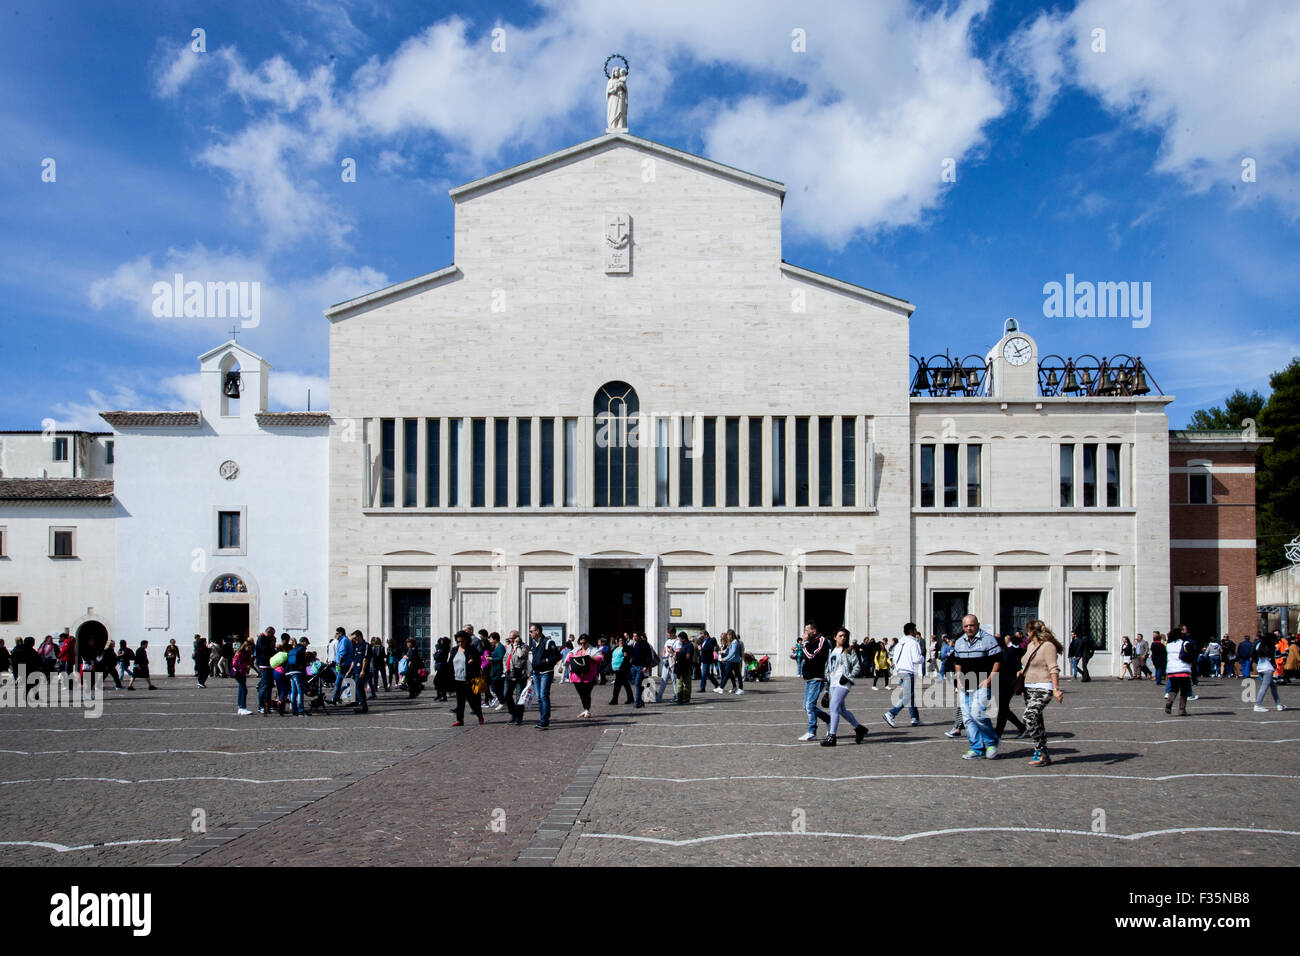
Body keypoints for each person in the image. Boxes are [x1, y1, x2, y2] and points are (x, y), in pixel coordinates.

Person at [951, 614, 1002, 759]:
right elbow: (958, 662)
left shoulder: (988, 639)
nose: (969, 628)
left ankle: (992, 741)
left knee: (977, 713)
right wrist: (959, 678)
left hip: (982, 683)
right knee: (967, 718)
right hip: (965, 684)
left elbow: (997, 661)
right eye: (966, 626)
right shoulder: (959, 642)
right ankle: (977, 748)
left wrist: (990, 679)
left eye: (971, 625)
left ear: (977, 624)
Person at [1018, 619, 1064, 767]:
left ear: (1032, 631)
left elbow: (1053, 668)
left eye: (1027, 631)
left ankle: (1040, 751)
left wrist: (1056, 689)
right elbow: (1028, 663)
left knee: (1029, 717)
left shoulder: (1048, 646)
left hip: (1043, 687)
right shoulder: (1031, 645)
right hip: (1029, 687)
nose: (1026, 634)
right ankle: (1043, 754)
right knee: (1038, 721)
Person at [821, 628, 868, 746]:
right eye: (840, 636)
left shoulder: (849, 651)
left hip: (843, 683)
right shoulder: (831, 651)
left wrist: (848, 677)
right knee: (841, 710)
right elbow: (828, 670)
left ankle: (832, 737)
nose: (843, 638)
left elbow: (857, 666)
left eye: (845, 636)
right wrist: (826, 690)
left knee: (834, 707)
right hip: (833, 683)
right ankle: (858, 728)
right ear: (835, 637)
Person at [883, 623, 924, 728]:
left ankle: (915, 718)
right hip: (908, 671)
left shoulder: (900, 642)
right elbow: (916, 659)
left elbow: (895, 657)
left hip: (901, 670)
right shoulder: (913, 643)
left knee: (910, 695)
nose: (916, 631)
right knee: (908, 696)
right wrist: (922, 658)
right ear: (911, 631)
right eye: (915, 629)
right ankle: (891, 713)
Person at [797, 625, 831, 741]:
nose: (805, 633)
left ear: (814, 631)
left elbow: (811, 655)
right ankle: (828, 720)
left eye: (807, 630)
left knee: (810, 705)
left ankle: (812, 731)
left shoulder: (822, 641)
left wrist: (805, 643)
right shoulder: (812, 642)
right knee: (806, 706)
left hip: (817, 677)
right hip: (810, 677)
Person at [993, 635, 1028, 739]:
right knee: (1004, 709)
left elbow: (1019, 669)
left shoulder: (1010, 653)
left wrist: (1018, 685)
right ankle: (1021, 727)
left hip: (1008, 684)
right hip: (998, 684)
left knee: (1002, 709)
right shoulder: (997, 655)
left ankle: (998, 733)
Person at [528, 623, 561, 729]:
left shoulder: (548, 642)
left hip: (546, 672)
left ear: (537, 631)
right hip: (536, 673)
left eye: (531, 631)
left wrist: (545, 661)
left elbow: (557, 656)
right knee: (538, 698)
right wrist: (532, 673)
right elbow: (534, 658)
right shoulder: (534, 642)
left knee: (543, 695)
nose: (530, 633)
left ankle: (544, 720)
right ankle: (542, 719)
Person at [449, 631, 483, 726]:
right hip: (457, 679)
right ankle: (460, 720)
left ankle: (479, 714)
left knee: (473, 700)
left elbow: (478, 661)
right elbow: (450, 663)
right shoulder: (454, 650)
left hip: (469, 679)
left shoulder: (471, 649)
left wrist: (473, 660)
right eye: (458, 641)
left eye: (462, 641)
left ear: (466, 640)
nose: (460, 643)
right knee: (460, 701)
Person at [565, 634, 603, 718]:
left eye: (584, 643)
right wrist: (574, 656)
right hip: (576, 677)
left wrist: (590, 657)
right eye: (580, 643)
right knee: (581, 694)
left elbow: (600, 659)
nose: (582, 645)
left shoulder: (593, 650)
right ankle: (586, 709)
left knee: (586, 693)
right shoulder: (576, 650)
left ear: (588, 642)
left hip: (589, 676)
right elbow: (568, 658)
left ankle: (587, 710)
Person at [1252, 634, 1286, 712]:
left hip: (1260, 668)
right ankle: (1257, 705)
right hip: (1267, 668)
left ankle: (1279, 704)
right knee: (1264, 687)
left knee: (1273, 686)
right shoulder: (1270, 646)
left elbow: (1254, 654)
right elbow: (1273, 657)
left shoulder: (1259, 645)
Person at [1164, 628, 1194, 716]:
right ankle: (1182, 709)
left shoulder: (1169, 645)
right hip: (1183, 669)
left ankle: (1169, 702)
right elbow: (1192, 653)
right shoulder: (1184, 643)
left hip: (1172, 670)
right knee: (1184, 691)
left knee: (1174, 689)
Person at [502, 631, 527, 723]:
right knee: (506, 694)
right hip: (509, 674)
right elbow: (505, 658)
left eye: (513, 638)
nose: (511, 640)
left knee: (519, 697)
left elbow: (521, 655)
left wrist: (517, 645)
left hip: (520, 675)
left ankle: (518, 717)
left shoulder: (524, 646)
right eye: (510, 638)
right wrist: (505, 669)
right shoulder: (509, 647)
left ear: (517, 638)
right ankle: (513, 713)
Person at [627, 631, 656, 708]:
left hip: (641, 667)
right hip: (634, 666)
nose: (634, 638)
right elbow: (633, 653)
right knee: (635, 683)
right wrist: (631, 659)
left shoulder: (645, 644)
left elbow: (649, 657)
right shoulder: (634, 644)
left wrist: (646, 667)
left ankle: (637, 702)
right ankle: (641, 701)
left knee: (637, 684)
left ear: (639, 636)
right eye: (633, 636)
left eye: (636, 636)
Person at [343, 629, 369, 714]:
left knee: (359, 687)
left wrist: (363, 671)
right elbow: (354, 660)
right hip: (356, 670)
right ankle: (361, 705)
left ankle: (363, 706)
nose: (354, 640)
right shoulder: (357, 646)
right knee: (358, 687)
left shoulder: (366, 645)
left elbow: (365, 659)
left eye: (355, 638)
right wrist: (349, 671)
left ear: (359, 636)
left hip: (361, 670)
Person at [608, 636, 634, 705]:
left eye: (622, 640)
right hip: (615, 668)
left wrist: (622, 667)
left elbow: (626, 658)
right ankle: (630, 698)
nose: (621, 641)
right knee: (625, 684)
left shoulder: (625, 648)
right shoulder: (615, 648)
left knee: (617, 684)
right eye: (619, 640)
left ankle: (615, 699)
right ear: (617, 641)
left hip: (622, 669)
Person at [231, 639, 254, 715]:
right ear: (245, 646)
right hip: (239, 673)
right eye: (249, 647)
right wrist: (245, 666)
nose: (250, 649)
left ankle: (240, 707)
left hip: (242, 673)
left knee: (241, 689)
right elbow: (235, 663)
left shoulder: (247, 653)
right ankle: (242, 707)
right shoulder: (240, 653)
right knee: (244, 690)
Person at [673, 630, 695, 704]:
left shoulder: (689, 645)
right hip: (680, 667)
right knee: (679, 683)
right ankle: (679, 698)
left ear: (683, 638)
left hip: (686, 666)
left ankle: (686, 698)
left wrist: (678, 654)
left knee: (686, 683)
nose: (679, 640)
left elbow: (687, 656)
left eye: (680, 639)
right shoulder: (683, 645)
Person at [656, 628, 677, 703]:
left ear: (673, 633)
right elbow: (664, 650)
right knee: (663, 679)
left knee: (674, 680)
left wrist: (672, 652)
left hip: (673, 663)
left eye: (669, 633)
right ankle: (659, 696)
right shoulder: (667, 641)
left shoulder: (677, 641)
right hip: (666, 662)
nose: (668, 634)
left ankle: (676, 696)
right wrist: (663, 656)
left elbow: (678, 651)